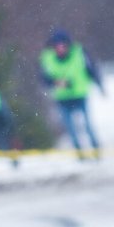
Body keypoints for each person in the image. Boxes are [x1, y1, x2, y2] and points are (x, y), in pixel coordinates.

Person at [39, 29, 103, 157]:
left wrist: (99, 85)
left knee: (87, 124)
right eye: (57, 46)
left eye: (63, 45)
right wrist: (55, 83)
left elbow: (90, 69)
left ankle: (96, 149)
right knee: (71, 128)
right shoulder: (47, 58)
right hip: (62, 98)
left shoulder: (79, 53)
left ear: (68, 44)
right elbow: (44, 78)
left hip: (80, 95)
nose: (60, 48)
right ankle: (79, 152)